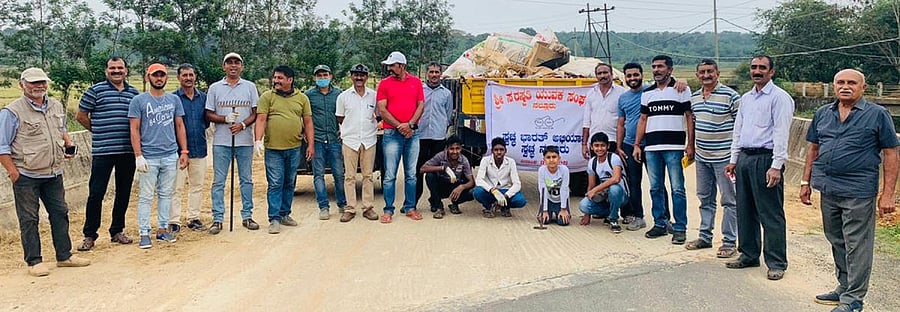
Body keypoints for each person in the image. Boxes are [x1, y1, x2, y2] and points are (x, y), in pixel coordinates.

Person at [801, 69, 899, 312]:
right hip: (828, 188)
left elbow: (891, 153)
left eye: (852, 83)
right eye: (840, 82)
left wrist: (888, 194)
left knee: (857, 244)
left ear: (862, 88)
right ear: (834, 86)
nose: (846, 86)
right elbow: (813, 149)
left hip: (858, 190)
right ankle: (843, 287)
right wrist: (805, 182)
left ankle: (853, 299)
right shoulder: (823, 113)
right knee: (836, 239)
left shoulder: (877, 115)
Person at [0, 67, 91, 276]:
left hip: (53, 173)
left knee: (60, 213)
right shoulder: (12, 112)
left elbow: (61, 129)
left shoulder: (55, 105)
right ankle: (34, 261)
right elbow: (2, 146)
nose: (38, 86)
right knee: (29, 219)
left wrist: (68, 145)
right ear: (22, 85)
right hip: (26, 174)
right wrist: (13, 172)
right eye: (33, 82)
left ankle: (64, 256)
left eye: (42, 82)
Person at [724, 55, 793, 281]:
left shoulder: (779, 98)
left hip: (766, 159)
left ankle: (776, 262)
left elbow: (782, 133)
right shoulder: (746, 98)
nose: (757, 71)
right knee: (745, 209)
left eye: (762, 68)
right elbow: (738, 130)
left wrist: (776, 166)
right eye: (754, 67)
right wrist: (734, 159)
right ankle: (749, 255)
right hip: (745, 158)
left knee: (770, 212)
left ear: (771, 72)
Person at [76, 56, 140, 250]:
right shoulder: (95, 91)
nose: (116, 71)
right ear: (106, 71)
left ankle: (117, 230)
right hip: (103, 151)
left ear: (126, 71)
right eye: (112, 68)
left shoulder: (134, 94)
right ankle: (90, 234)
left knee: (123, 191)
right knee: (96, 193)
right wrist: (99, 131)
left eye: (120, 68)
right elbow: (80, 116)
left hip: (127, 151)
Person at [616, 63, 685, 231]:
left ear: (641, 75)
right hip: (630, 145)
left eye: (635, 75)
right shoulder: (623, 98)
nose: (632, 78)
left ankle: (666, 219)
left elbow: (673, 87)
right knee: (633, 183)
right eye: (629, 76)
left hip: (653, 145)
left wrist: (682, 81)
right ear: (625, 78)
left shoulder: (651, 91)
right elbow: (621, 123)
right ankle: (638, 217)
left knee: (658, 184)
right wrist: (619, 146)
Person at [632, 55, 693, 245]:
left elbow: (689, 117)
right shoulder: (647, 93)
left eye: (660, 66)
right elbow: (643, 120)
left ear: (670, 70)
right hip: (651, 148)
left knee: (677, 189)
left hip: (674, 148)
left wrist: (690, 144)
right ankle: (660, 223)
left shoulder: (681, 90)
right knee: (655, 188)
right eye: (654, 67)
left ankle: (680, 227)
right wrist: (636, 144)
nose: (656, 70)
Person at [128, 63, 189, 248]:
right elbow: (134, 129)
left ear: (166, 78)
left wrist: (183, 151)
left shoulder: (173, 100)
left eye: (162, 75)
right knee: (146, 195)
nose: (159, 78)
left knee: (166, 194)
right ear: (148, 78)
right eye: (155, 75)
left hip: (170, 155)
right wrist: (138, 155)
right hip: (149, 156)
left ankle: (162, 229)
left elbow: (179, 126)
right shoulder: (139, 101)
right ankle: (144, 232)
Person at [685, 59, 740, 258]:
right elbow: (693, 124)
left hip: (725, 158)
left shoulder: (731, 97)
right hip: (702, 157)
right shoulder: (694, 98)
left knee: (729, 201)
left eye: (710, 71)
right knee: (705, 199)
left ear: (718, 73)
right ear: (697, 75)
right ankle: (704, 237)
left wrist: (736, 156)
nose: (706, 75)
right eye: (702, 72)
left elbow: (740, 125)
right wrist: (691, 146)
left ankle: (729, 242)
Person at [255, 65, 313, 234]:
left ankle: (285, 214)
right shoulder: (267, 97)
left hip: (295, 148)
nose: (276, 81)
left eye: (280, 78)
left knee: (290, 182)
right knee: (275, 183)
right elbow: (261, 119)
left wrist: (310, 144)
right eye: (275, 78)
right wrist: (258, 140)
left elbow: (308, 122)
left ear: (290, 80)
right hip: (273, 149)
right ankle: (274, 218)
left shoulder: (301, 98)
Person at [205, 52, 259, 234]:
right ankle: (217, 218)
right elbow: (208, 113)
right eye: (229, 63)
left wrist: (243, 124)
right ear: (224, 66)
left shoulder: (250, 87)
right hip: (221, 140)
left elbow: (255, 112)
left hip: (244, 141)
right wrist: (224, 119)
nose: (233, 66)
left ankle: (247, 216)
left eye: (237, 63)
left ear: (241, 67)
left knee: (246, 180)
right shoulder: (215, 88)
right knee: (219, 181)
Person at [376, 51, 425, 223]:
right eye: (388, 65)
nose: (389, 68)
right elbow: (382, 109)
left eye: (392, 65)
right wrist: (400, 126)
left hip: (412, 133)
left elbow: (421, 105)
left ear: (402, 66)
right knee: (390, 175)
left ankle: (410, 207)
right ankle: (388, 209)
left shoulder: (416, 82)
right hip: (392, 133)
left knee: (411, 174)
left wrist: (410, 124)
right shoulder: (384, 84)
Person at [336, 64, 380, 223]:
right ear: (351, 77)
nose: (359, 78)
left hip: (369, 139)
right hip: (350, 140)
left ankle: (368, 207)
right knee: (349, 176)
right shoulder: (343, 97)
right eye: (356, 75)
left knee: (368, 175)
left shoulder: (374, 96)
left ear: (367, 77)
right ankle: (350, 208)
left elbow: (379, 114)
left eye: (362, 75)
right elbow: (340, 118)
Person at [169, 64, 209, 232]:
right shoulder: (172, 98)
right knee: (175, 187)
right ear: (178, 78)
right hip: (177, 151)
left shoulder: (203, 98)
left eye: (191, 75)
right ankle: (174, 220)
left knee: (197, 185)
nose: (188, 78)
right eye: (184, 75)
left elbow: (206, 121)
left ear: (195, 77)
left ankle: (193, 217)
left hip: (199, 147)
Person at [306, 65, 346, 220]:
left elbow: (345, 113)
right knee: (318, 175)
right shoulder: (308, 96)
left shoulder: (339, 94)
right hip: (317, 140)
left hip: (335, 139)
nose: (322, 78)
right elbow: (305, 117)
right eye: (319, 75)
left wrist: (343, 129)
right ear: (314, 78)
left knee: (339, 174)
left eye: (325, 75)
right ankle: (323, 207)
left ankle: (342, 203)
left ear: (331, 76)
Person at [415, 62, 453, 205]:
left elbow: (448, 115)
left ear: (441, 74)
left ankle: (435, 201)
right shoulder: (420, 91)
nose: (434, 75)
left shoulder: (446, 93)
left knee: (436, 172)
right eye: (431, 72)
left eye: (437, 72)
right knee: (417, 171)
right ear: (427, 74)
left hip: (438, 138)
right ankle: (413, 202)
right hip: (420, 137)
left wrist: (441, 127)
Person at [578, 133, 628, 233]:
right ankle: (608, 212)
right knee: (583, 205)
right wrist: (587, 214)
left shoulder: (614, 158)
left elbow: (616, 179)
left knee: (614, 188)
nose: (599, 149)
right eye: (596, 146)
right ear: (591, 147)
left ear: (608, 146)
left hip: (620, 195)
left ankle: (613, 219)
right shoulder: (592, 162)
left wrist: (595, 190)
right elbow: (591, 185)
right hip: (605, 196)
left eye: (602, 145)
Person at [419, 136, 475, 219]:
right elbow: (422, 169)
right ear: (446, 148)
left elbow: (472, 182)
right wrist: (442, 168)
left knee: (473, 192)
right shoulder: (440, 156)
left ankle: (454, 204)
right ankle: (439, 206)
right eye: (451, 149)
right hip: (442, 184)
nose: (455, 152)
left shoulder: (464, 160)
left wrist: (461, 187)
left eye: (457, 148)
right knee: (429, 176)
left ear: (461, 149)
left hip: (456, 185)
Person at [474, 137, 526, 218]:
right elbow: (479, 180)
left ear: (505, 151)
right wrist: (492, 190)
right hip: (491, 191)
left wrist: (506, 195)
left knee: (521, 200)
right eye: (496, 150)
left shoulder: (511, 162)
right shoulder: (485, 160)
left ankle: (505, 207)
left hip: (505, 190)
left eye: (501, 150)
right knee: (477, 192)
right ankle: (488, 207)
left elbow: (517, 184)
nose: (499, 152)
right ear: (492, 151)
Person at [582, 62, 625, 158]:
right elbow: (586, 122)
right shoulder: (591, 94)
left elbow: (624, 121)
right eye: (599, 73)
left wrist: (620, 145)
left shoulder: (622, 93)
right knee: (596, 171)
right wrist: (584, 144)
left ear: (612, 74)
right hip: (595, 142)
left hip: (614, 141)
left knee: (615, 171)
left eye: (605, 72)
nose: (602, 76)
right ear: (596, 76)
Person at [537, 146, 571, 226]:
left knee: (563, 222)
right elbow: (542, 190)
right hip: (548, 199)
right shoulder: (542, 170)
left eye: (554, 157)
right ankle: (548, 212)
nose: (551, 160)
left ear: (559, 159)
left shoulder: (564, 170)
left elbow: (564, 189)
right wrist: (544, 210)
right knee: (544, 221)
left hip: (560, 200)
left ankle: (560, 212)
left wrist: (563, 209)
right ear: (544, 160)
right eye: (548, 157)